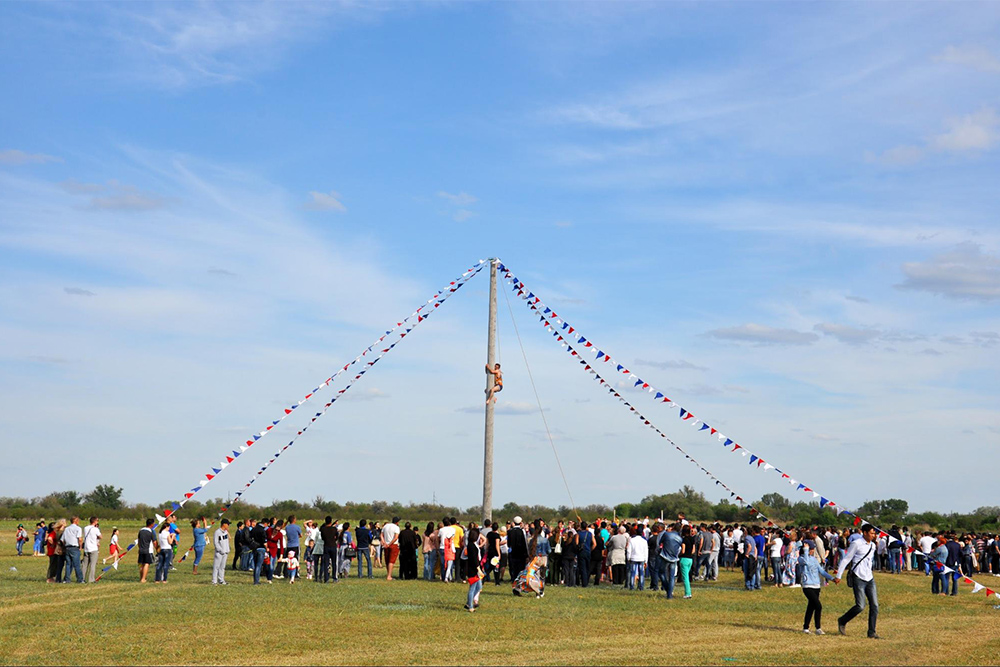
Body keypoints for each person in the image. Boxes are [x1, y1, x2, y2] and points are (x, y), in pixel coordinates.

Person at [834, 523, 880, 639]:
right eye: (871, 533)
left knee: (874, 605)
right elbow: (846, 559)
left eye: (874, 533)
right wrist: (839, 575)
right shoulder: (856, 544)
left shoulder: (873, 546)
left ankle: (872, 632)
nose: (873, 535)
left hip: (869, 577)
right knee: (860, 606)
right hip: (858, 577)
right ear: (864, 533)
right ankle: (843, 620)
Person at [799, 542, 835, 634]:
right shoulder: (801, 558)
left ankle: (806, 628)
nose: (812, 550)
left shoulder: (814, 559)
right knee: (818, 606)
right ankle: (818, 627)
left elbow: (821, 571)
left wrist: (832, 579)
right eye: (811, 549)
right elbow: (806, 562)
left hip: (816, 586)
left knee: (811, 607)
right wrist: (806, 550)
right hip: (807, 585)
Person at [513, 523, 546, 598]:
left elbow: (529, 550)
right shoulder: (545, 540)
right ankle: (539, 591)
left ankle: (518, 587)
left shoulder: (531, 540)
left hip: (533, 560)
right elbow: (549, 550)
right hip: (542, 559)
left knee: (527, 575)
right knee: (541, 577)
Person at [658, 523, 683, 600]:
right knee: (672, 577)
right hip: (674, 558)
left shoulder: (666, 534)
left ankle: (667, 588)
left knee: (661, 573)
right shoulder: (680, 538)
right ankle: (669, 595)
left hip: (665, 556)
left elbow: (660, 542)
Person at [61, 516, 84, 584]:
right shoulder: (78, 529)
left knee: (68, 564)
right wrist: (80, 547)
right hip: (75, 547)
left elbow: (62, 540)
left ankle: (67, 579)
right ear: (76, 521)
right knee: (77, 564)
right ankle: (80, 579)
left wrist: (65, 545)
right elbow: (79, 539)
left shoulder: (66, 529)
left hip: (67, 547)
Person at [465, 528, 483, 611]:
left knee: (479, 586)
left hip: (475, 568)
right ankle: (470, 606)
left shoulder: (472, 544)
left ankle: (469, 602)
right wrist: (478, 568)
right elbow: (474, 559)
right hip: (473, 569)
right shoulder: (471, 546)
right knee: (472, 588)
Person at [627, 523, 648, 591]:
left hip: (633, 557)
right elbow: (646, 551)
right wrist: (646, 560)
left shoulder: (632, 540)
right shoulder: (644, 541)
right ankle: (641, 586)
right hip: (641, 558)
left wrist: (628, 558)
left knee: (633, 572)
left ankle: (632, 586)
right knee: (641, 573)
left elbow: (629, 550)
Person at [318, 516, 338, 584]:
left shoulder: (323, 529)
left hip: (326, 546)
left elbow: (323, 538)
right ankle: (334, 577)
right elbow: (336, 537)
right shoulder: (334, 529)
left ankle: (326, 578)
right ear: (331, 521)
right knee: (334, 563)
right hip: (333, 546)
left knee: (326, 563)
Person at [82, 516, 101, 583]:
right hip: (93, 548)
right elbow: (100, 536)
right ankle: (91, 579)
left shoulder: (85, 528)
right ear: (95, 521)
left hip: (86, 548)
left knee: (84, 565)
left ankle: (82, 578)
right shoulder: (95, 529)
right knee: (93, 565)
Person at [679, 524, 696, 599]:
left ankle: (688, 593)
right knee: (687, 576)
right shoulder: (692, 539)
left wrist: (679, 555)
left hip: (684, 559)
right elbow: (693, 550)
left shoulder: (684, 540)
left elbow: (683, 550)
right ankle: (688, 592)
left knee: (685, 577)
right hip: (690, 559)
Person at [136, 519, 155, 583]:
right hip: (148, 550)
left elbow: (138, 541)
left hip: (141, 549)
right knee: (146, 564)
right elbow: (154, 542)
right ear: (152, 524)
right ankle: (143, 579)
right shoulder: (151, 531)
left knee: (141, 564)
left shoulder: (141, 531)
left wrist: (140, 547)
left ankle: (141, 577)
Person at [212, 519, 230, 585]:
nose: (228, 525)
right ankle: (214, 581)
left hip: (225, 552)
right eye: (228, 524)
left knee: (222, 567)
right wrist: (220, 550)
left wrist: (227, 549)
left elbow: (226, 541)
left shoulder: (225, 532)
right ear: (224, 524)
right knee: (216, 567)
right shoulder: (217, 532)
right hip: (219, 553)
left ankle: (221, 580)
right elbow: (216, 542)